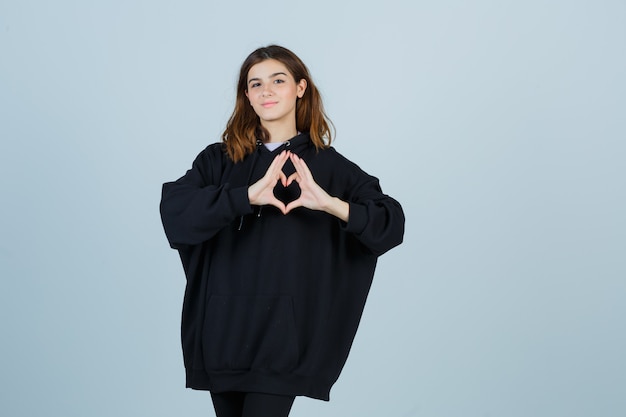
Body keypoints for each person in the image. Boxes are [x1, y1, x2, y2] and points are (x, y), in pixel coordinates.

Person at [160, 45, 405, 417]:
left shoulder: (330, 168)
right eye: (255, 84)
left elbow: (390, 224)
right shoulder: (218, 160)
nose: (266, 91)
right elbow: (175, 213)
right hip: (223, 333)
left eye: (278, 80)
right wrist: (244, 197)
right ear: (247, 95)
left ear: (300, 88)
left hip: (283, 343)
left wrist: (328, 203)